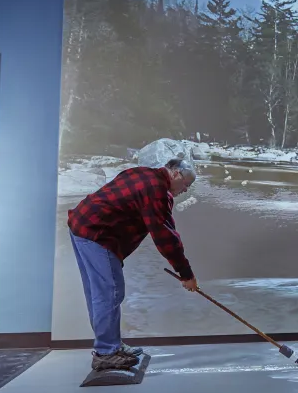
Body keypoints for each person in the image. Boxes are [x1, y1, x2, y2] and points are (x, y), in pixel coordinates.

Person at [67, 158, 199, 371]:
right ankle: (106, 353)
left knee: (100, 293)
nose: (185, 190)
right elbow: (165, 237)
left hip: (83, 225)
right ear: (176, 174)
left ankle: (111, 345)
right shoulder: (156, 190)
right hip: (97, 234)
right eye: (187, 185)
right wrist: (185, 274)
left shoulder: (142, 173)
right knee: (109, 293)